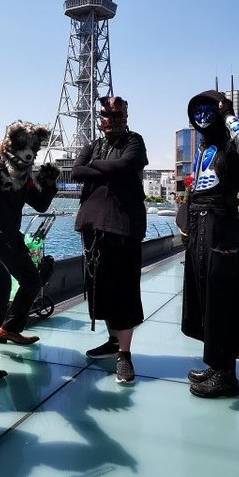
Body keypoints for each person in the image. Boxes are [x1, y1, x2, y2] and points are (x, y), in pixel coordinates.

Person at [182, 91, 239, 399]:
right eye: (197, 112)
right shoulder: (205, 148)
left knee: (222, 293)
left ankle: (227, 375)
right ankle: (216, 364)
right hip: (200, 223)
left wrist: (228, 114)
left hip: (220, 223)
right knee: (204, 293)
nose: (202, 117)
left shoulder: (231, 146)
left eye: (208, 110)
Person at [0, 122, 59, 380]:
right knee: (0, 287)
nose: (29, 154)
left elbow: (40, 205)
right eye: (23, 147)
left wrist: (48, 184)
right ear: (11, 145)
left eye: (33, 149)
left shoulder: (24, 174)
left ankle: (9, 328)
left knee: (31, 280)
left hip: (9, 237)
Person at [72, 96, 148, 386]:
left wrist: (96, 166)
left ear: (124, 116)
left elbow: (126, 165)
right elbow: (77, 171)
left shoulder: (134, 141)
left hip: (123, 226)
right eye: (105, 116)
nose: (110, 121)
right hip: (93, 227)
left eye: (115, 116)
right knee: (100, 288)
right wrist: (106, 167)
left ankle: (125, 354)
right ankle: (113, 341)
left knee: (124, 289)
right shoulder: (94, 144)